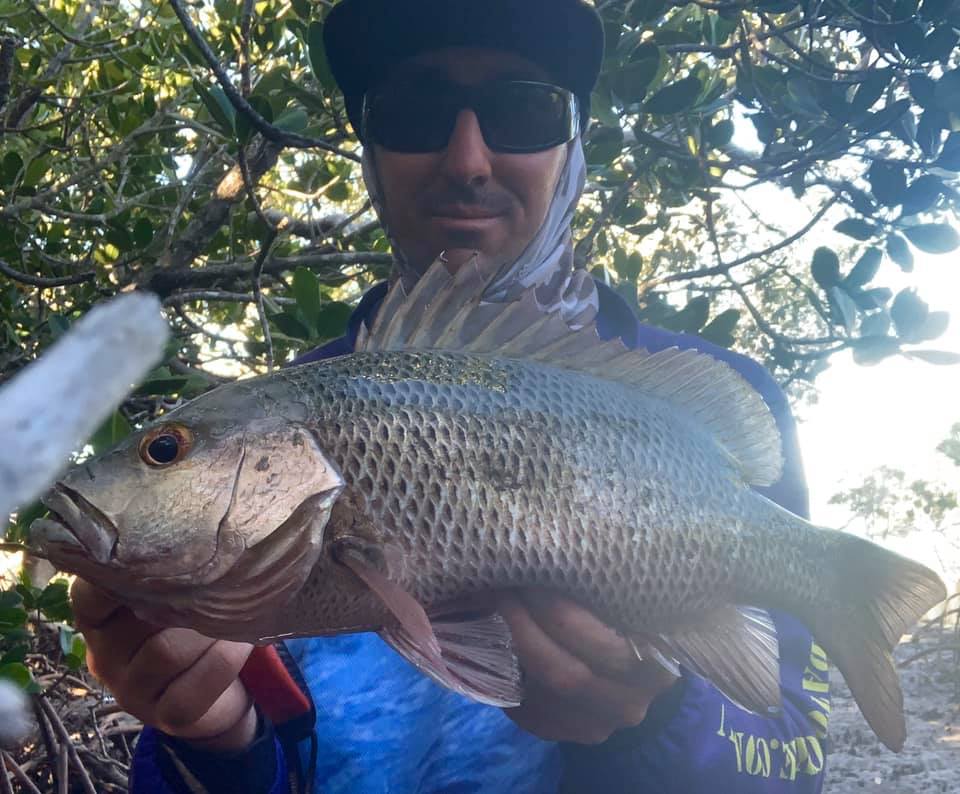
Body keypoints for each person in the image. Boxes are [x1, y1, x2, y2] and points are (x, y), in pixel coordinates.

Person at [71, 1, 831, 791]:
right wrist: (214, 742)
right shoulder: (276, 432)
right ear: (367, 150)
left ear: (575, 143)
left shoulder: (701, 406)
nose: (467, 158)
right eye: (414, 112)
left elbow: (790, 755)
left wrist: (649, 731)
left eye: (523, 110)